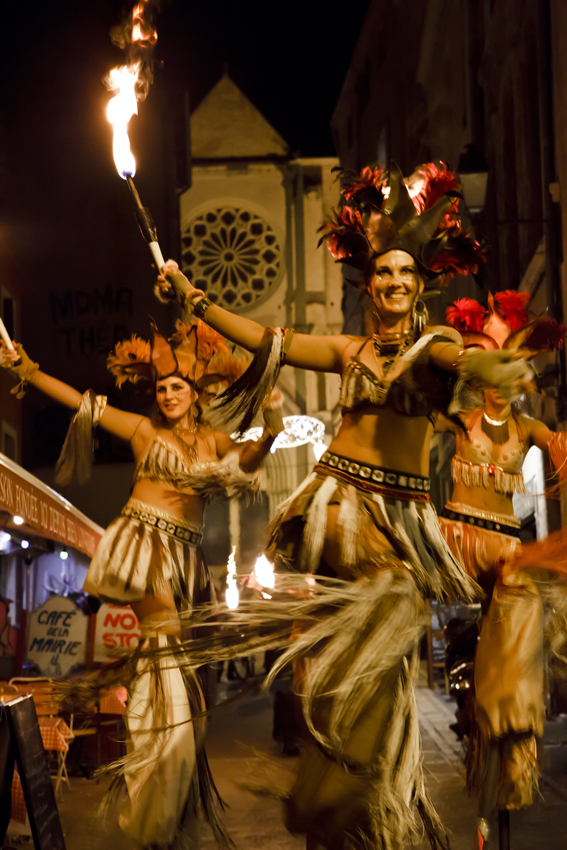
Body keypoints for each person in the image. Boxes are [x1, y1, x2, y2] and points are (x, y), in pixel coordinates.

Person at [156, 163, 534, 850]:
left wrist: (490, 368)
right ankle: (348, 793)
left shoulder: (436, 346)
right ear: (368, 285)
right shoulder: (348, 349)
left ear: (420, 286)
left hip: (396, 526)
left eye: (403, 274)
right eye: (381, 273)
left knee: (373, 669)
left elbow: (459, 364)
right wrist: (196, 300)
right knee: (346, 656)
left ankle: (361, 800)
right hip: (339, 512)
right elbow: (269, 341)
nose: (391, 282)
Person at [0, 318, 283, 850]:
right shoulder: (143, 431)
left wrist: (270, 427)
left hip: (186, 557)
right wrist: (28, 370)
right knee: (165, 646)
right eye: (161, 388)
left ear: (196, 395)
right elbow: (83, 403)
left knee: (169, 658)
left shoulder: (215, 442)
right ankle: (161, 761)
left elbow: (248, 461)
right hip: (145, 545)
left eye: (178, 387)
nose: (169, 393)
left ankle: (164, 765)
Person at [439, 293, 567, 845]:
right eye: (489, 364)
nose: (500, 378)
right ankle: (506, 711)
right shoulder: (459, 419)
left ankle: (507, 728)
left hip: (507, 552)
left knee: (533, 587)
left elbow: (561, 450)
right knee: (520, 573)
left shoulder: (530, 429)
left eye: (511, 367)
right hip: (464, 543)